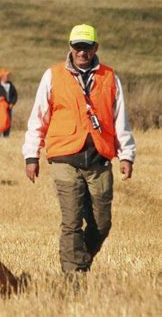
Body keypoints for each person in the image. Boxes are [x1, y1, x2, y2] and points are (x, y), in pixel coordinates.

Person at [22, 24, 136, 274]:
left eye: (87, 47)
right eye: (77, 47)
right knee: (71, 221)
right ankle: (73, 276)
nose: (81, 52)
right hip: (64, 157)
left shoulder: (110, 76)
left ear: (96, 47)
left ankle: (80, 261)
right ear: (70, 47)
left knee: (102, 224)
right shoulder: (52, 75)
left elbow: (121, 119)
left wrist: (126, 154)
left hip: (100, 158)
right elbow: (38, 117)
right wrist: (32, 155)